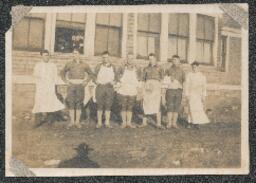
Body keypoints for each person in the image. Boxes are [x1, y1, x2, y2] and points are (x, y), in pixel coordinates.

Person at [61, 48, 94, 128]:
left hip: (80, 85)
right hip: (71, 84)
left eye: (76, 53)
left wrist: (86, 81)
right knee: (71, 103)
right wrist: (66, 81)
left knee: (79, 103)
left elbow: (91, 74)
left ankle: (77, 122)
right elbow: (62, 73)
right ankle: (72, 121)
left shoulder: (84, 64)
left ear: (79, 54)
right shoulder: (69, 64)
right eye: (73, 53)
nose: (74, 55)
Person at [32, 50, 65, 125]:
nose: (46, 57)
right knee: (40, 101)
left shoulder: (52, 65)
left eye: (47, 55)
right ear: (41, 56)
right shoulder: (38, 65)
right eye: (45, 55)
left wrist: (53, 85)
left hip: (50, 86)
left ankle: (50, 118)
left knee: (50, 101)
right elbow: (35, 75)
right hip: (41, 87)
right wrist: (42, 80)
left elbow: (55, 77)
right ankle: (41, 118)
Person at [116, 54, 140, 128]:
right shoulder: (122, 67)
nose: (130, 60)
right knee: (123, 106)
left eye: (131, 58)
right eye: (128, 58)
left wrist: (138, 85)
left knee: (130, 106)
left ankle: (129, 123)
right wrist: (120, 80)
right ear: (126, 59)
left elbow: (140, 76)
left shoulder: (137, 68)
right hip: (123, 88)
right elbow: (116, 75)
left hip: (132, 89)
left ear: (133, 59)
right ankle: (124, 123)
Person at [94, 51, 118, 128]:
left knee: (108, 105)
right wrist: (95, 81)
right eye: (104, 57)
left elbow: (117, 77)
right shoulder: (98, 66)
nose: (105, 59)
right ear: (102, 58)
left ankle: (107, 122)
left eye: (107, 57)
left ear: (109, 58)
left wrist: (114, 82)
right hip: (100, 87)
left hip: (109, 88)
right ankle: (99, 122)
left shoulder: (113, 67)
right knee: (99, 105)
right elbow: (93, 76)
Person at [140, 53, 164, 128]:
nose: (151, 60)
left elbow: (162, 80)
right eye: (149, 59)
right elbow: (143, 80)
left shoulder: (160, 68)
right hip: (148, 88)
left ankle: (158, 123)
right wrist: (142, 90)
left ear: (155, 59)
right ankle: (144, 122)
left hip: (156, 88)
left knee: (157, 105)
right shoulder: (146, 68)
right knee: (146, 103)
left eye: (152, 59)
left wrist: (162, 90)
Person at [185, 61, 210, 127]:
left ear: (198, 67)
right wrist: (187, 94)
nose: (194, 68)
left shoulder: (202, 76)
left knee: (198, 108)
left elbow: (204, 86)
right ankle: (189, 122)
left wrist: (203, 95)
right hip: (191, 94)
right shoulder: (189, 75)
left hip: (198, 94)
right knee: (191, 108)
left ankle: (196, 123)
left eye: (195, 67)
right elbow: (187, 85)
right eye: (193, 67)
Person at [164, 55, 185, 128]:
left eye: (176, 60)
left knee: (176, 106)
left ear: (179, 61)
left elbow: (184, 81)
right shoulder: (168, 70)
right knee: (170, 106)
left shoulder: (182, 70)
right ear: (172, 61)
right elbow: (165, 80)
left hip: (178, 91)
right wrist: (169, 79)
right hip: (170, 90)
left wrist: (183, 91)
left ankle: (174, 123)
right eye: (173, 60)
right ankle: (169, 123)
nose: (175, 61)